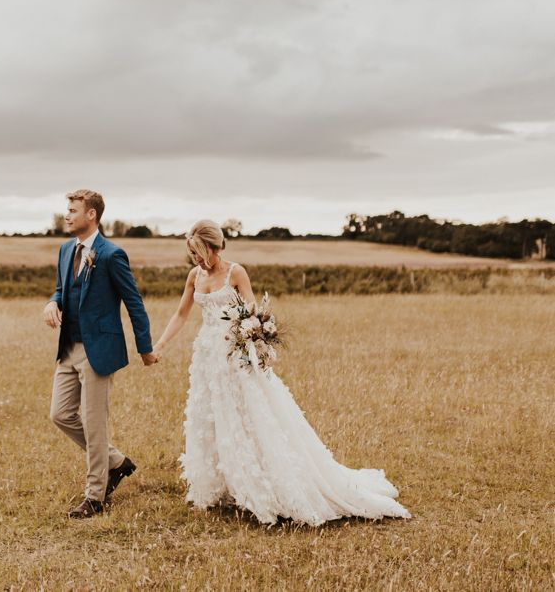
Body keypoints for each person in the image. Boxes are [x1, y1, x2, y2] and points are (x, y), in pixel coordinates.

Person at [152, 219, 411, 525]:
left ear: (214, 247)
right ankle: (218, 486)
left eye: (199, 252)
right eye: (191, 253)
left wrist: (252, 340)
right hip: (206, 359)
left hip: (234, 358)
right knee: (208, 418)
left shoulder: (236, 272)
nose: (196, 259)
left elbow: (252, 316)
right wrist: (159, 348)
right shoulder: (194, 276)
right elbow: (181, 314)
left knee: (247, 419)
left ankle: (260, 485)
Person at [43, 189, 158, 519]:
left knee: (95, 426)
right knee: (60, 414)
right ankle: (117, 462)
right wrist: (52, 302)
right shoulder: (66, 250)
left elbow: (134, 303)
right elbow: (62, 290)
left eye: (72, 210)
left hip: (99, 351)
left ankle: (95, 496)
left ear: (91, 215)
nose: (66, 215)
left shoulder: (111, 255)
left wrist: (145, 348)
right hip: (68, 348)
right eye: (66, 209)